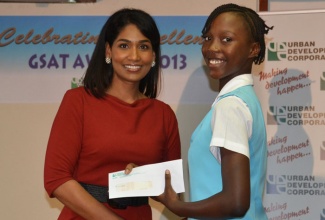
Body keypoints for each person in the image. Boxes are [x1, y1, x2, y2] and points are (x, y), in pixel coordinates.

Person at [43, 8, 181, 220]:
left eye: (143, 46)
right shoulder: (78, 101)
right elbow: (56, 178)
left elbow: (173, 193)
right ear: (108, 51)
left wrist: (145, 177)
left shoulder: (164, 115)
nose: (134, 56)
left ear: (153, 55)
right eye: (124, 45)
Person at [157, 3, 273, 219]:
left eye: (226, 39)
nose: (212, 47)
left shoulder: (231, 106)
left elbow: (236, 202)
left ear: (253, 49)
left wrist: (176, 206)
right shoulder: (244, 100)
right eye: (208, 38)